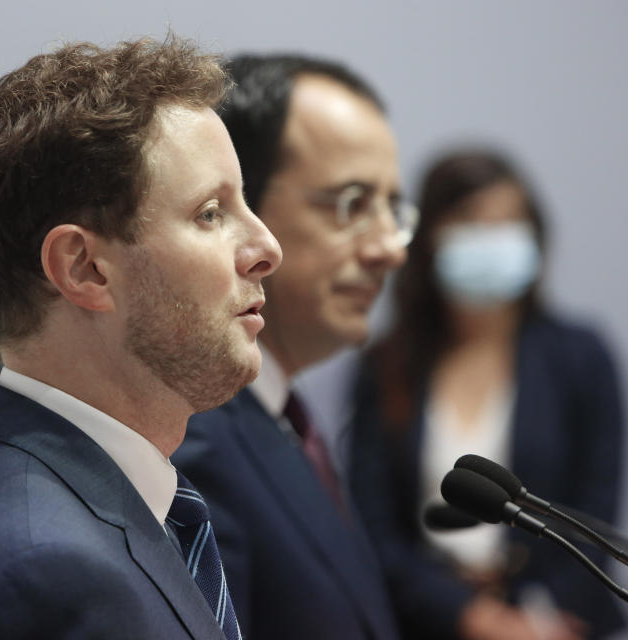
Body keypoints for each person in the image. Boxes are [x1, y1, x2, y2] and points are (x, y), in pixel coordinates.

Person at [0, 37, 282, 639]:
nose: (266, 249)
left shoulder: (33, 490)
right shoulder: (49, 566)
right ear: (84, 268)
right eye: (210, 213)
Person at [172, 55, 412, 639]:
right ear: (240, 205)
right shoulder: (195, 437)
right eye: (353, 204)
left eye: (393, 209)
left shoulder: (287, 420)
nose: (389, 249)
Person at [348, 148, 626, 639]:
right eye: (474, 222)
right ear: (432, 235)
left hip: (559, 624)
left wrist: (534, 621)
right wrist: (469, 616)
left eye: (511, 222)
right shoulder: (387, 364)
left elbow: (594, 513)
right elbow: (375, 528)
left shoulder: (581, 358)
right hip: (428, 622)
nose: (494, 240)